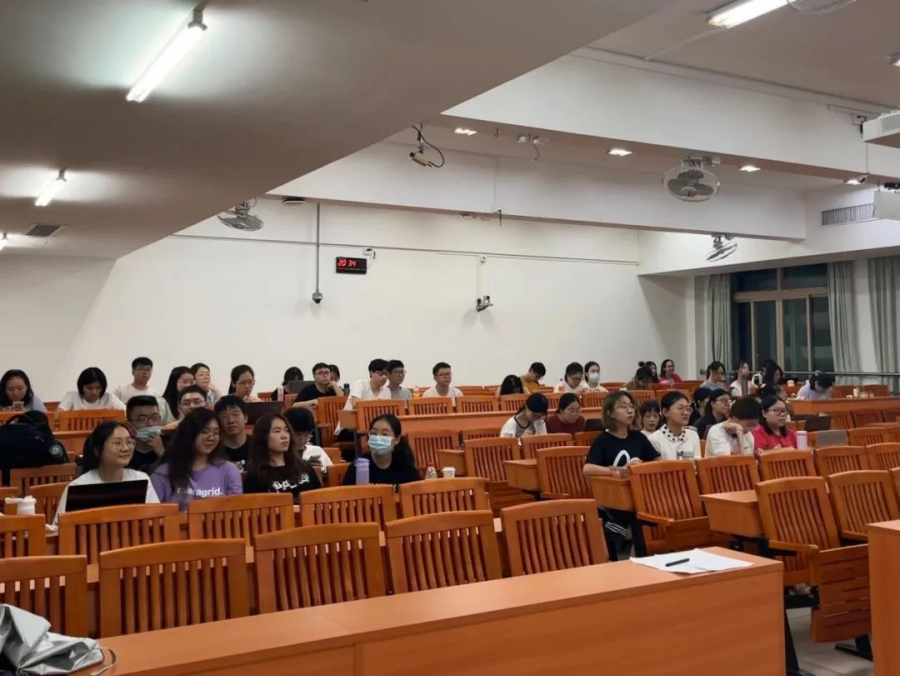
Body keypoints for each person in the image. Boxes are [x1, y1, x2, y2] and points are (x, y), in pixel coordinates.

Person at [583, 391, 659, 553]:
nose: (630, 411)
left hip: (638, 495)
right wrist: (618, 470)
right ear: (610, 413)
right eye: (623, 407)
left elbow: (656, 462)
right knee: (631, 513)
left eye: (631, 406)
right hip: (612, 498)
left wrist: (639, 468)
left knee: (642, 510)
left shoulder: (638, 438)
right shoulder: (603, 440)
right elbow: (587, 469)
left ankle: (640, 552)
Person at [54, 421, 159, 525]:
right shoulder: (78, 486)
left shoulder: (141, 479)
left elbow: (156, 520)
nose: (126, 448)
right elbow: (59, 528)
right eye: (118, 443)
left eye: (129, 442)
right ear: (97, 451)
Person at [150, 408, 242, 508]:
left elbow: (235, 511)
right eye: (205, 431)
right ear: (189, 434)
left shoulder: (229, 471)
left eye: (216, 433)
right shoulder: (162, 474)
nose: (211, 437)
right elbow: (152, 513)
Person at [243, 413, 322, 501]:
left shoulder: (304, 467)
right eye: (277, 431)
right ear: (263, 437)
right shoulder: (255, 476)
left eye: (287, 430)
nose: (284, 436)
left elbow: (320, 498)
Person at [342, 414, 420, 488]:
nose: (378, 438)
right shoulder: (359, 466)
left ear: (397, 439)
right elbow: (346, 494)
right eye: (374, 433)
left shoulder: (405, 466)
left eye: (385, 434)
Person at [649, 391, 701, 461]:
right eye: (680, 408)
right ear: (665, 412)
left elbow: (697, 463)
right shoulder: (654, 440)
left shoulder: (693, 435)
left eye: (688, 409)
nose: (686, 413)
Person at [58, 368, 125, 414]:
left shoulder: (109, 398)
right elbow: (57, 416)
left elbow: (126, 414)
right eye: (89, 388)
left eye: (98, 388)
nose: (94, 392)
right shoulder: (72, 397)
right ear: (81, 387)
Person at [126, 395, 165, 472]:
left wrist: (161, 452)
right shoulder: (124, 451)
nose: (150, 424)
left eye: (154, 417)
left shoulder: (173, 445)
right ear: (129, 425)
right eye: (143, 419)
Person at [215, 395, 251, 470]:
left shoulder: (259, 446)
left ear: (245, 418)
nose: (231, 420)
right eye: (224, 416)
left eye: (236, 414)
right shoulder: (214, 450)